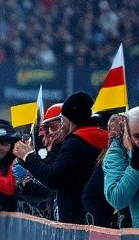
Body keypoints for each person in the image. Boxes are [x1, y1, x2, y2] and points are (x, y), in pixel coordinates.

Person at [12, 91, 108, 224]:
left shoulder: (76, 142)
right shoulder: (84, 139)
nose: (48, 136)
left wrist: (29, 157)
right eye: (44, 132)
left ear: (70, 120)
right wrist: (25, 184)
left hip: (78, 221)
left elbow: (53, 179)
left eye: (53, 127)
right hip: (80, 219)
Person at [103, 106, 139, 227]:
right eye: (137, 136)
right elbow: (117, 199)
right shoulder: (118, 151)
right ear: (128, 133)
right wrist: (135, 167)